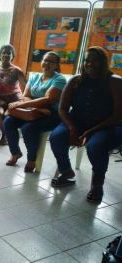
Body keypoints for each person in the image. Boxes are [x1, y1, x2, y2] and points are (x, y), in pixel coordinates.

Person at [49, 47, 122, 203]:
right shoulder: (76, 81)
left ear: (103, 62)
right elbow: (62, 109)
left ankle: (97, 185)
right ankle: (66, 171)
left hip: (108, 126)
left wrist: (90, 131)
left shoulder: (115, 82)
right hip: (77, 123)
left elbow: (118, 116)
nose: (89, 64)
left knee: (95, 146)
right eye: (87, 60)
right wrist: (72, 127)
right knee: (56, 137)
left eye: (94, 60)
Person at [3, 51, 67, 172]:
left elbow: (48, 100)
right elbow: (25, 95)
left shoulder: (60, 79)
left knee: (28, 128)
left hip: (52, 114)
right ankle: (15, 153)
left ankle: (31, 159)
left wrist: (21, 104)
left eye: (51, 61)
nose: (47, 63)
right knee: (8, 121)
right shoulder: (35, 77)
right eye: (45, 60)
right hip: (33, 112)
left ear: (56, 65)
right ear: (41, 62)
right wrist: (36, 107)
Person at [0, 44, 26, 145]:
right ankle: (6, 133)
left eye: (9, 53)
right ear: (0, 55)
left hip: (15, 99)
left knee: (8, 116)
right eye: (3, 53)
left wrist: (24, 100)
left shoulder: (17, 71)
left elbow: (26, 86)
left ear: (12, 56)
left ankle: (5, 136)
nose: (6, 55)